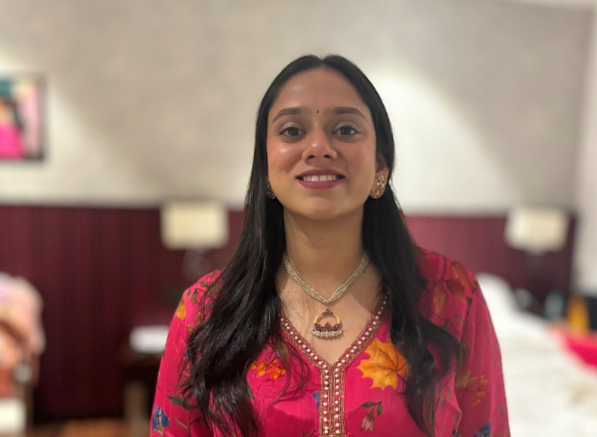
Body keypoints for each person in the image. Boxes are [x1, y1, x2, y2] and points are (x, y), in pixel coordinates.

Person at [151, 54, 509, 437]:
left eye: (346, 129)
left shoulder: (451, 296)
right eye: (292, 130)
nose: (319, 147)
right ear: (266, 167)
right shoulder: (205, 312)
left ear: (381, 166)